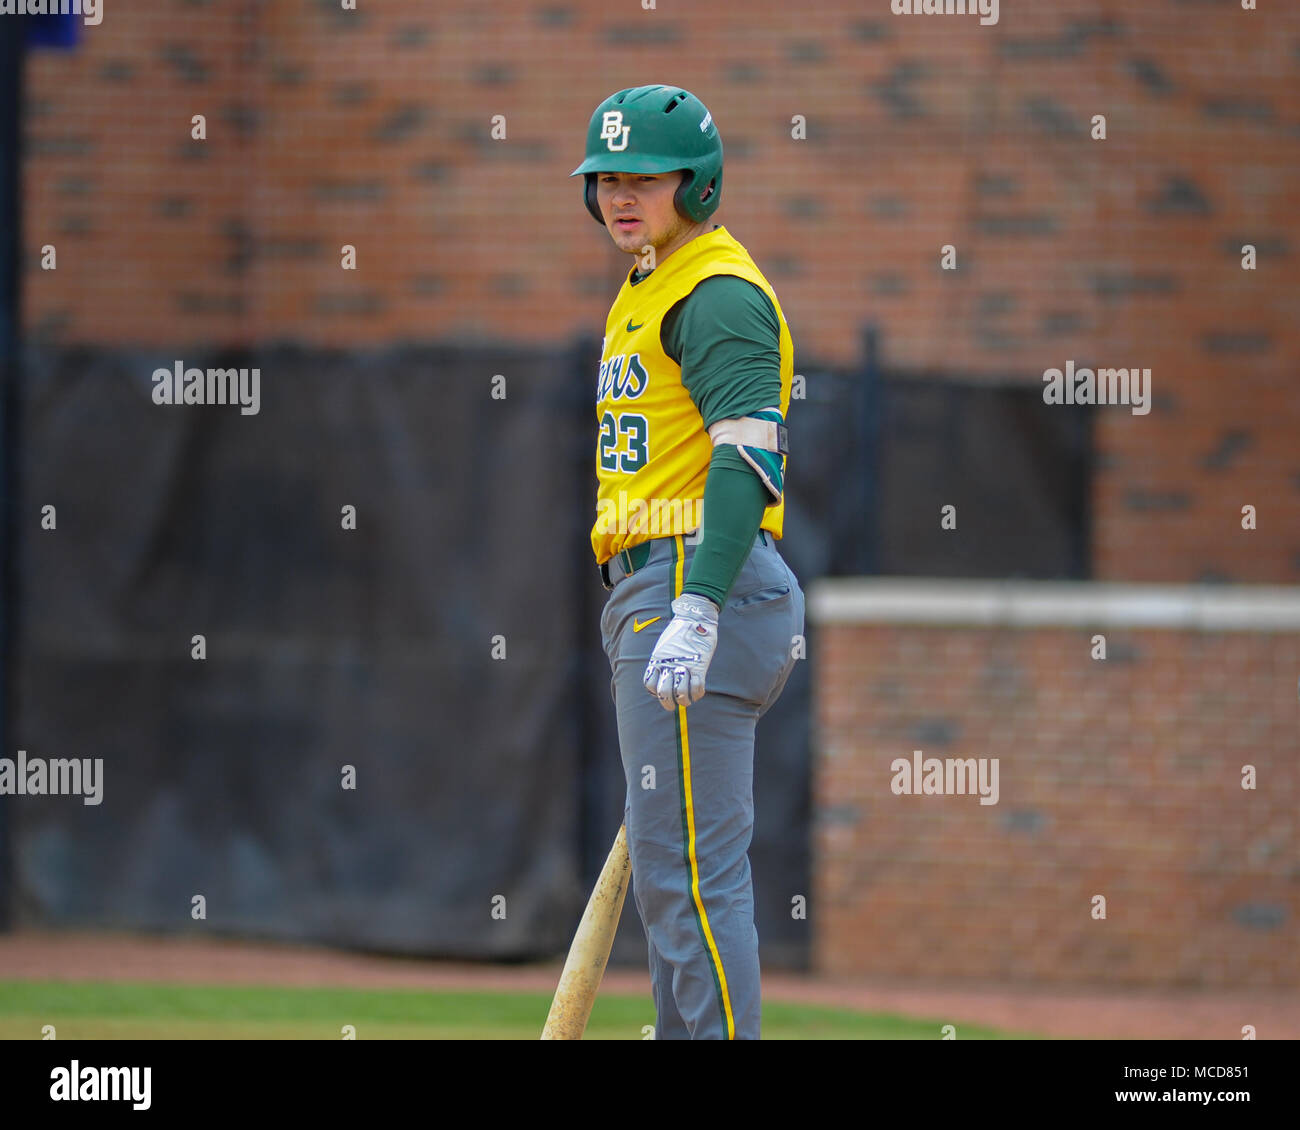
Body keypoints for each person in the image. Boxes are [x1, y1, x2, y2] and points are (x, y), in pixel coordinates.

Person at [570, 85, 805, 1040]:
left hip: (691, 583)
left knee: (692, 886)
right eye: (607, 178)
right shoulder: (652, 279)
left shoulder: (714, 290)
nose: (622, 195)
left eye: (646, 178)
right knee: (677, 883)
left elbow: (750, 448)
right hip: (657, 585)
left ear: (696, 184)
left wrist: (698, 606)